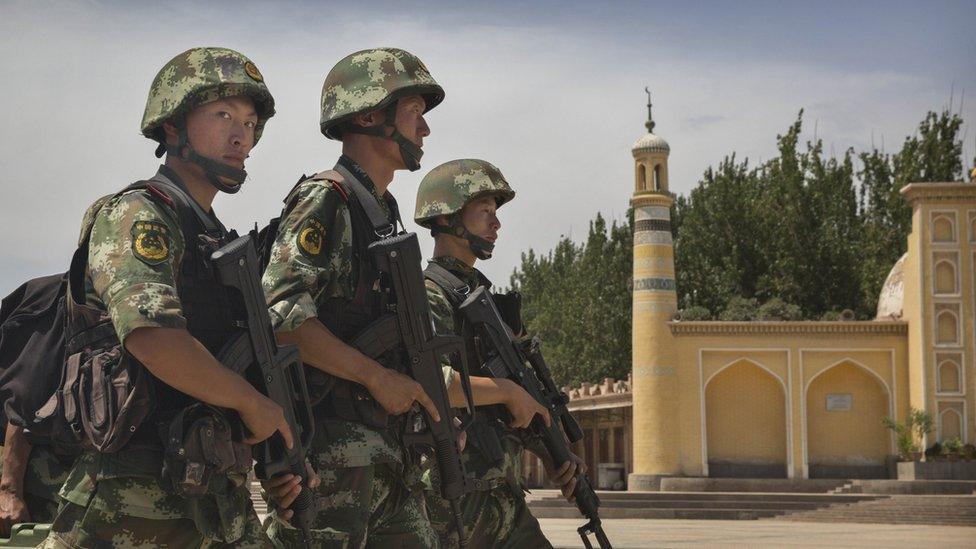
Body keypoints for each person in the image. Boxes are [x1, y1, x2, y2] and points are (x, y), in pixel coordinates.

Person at [261, 48, 553, 548]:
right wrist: (375, 376)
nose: (425, 130)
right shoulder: (328, 199)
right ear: (371, 114)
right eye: (415, 113)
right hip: (335, 456)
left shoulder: (382, 211)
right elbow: (284, 316)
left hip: (390, 457)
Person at [42, 47, 290, 548]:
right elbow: (152, 337)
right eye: (223, 115)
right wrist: (251, 404)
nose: (241, 134)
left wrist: (277, 455)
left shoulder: (216, 239)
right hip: (132, 492)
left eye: (248, 121)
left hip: (213, 486)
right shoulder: (141, 214)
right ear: (173, 128)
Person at [415, 158, 586, 548]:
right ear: (449, 218)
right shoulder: (428, 295)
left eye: (496, 213)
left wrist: (550, 451)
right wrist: (508, 392)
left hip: (501, 496)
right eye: (485, 213)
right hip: (451, 500)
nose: (497, 224)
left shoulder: (485, 301)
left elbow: (509, 407)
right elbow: (430, 384)